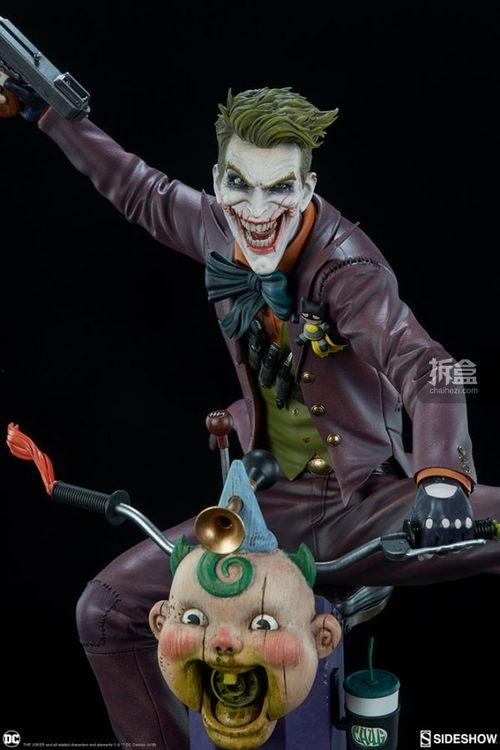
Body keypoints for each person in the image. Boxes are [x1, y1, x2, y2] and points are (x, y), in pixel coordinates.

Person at [2, 82, 499, 749]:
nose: (258, 212)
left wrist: (442, 480)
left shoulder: (349, 268)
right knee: (106, 609)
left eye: (280, 189)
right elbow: (137, 189)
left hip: (365, 500)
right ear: (217, 180)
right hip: (268, 506)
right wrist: (50, 115)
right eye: (240, 185)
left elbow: (427, 363)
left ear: (309, 187)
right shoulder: (215, 225)